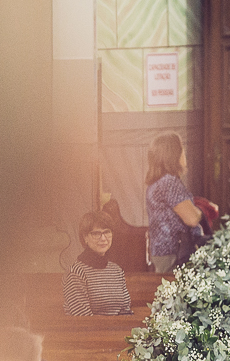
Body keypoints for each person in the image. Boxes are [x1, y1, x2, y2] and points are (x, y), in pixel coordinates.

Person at [145, 133, 206, 273]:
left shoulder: (155, 183)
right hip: (175, 255)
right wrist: (200, 211)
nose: (184, 154)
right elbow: (192, 218)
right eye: (182, 150)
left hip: (162, 253)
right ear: (173, 155)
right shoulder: (169, 182)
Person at [62, 212, 132, 316]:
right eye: (96, 233)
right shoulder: (76, 272)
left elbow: (126, 310)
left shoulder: (116, 270)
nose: (103, 238)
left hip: (119, 330)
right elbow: (82, 318)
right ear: (85, 237)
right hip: (91, 330)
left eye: (107, 232)